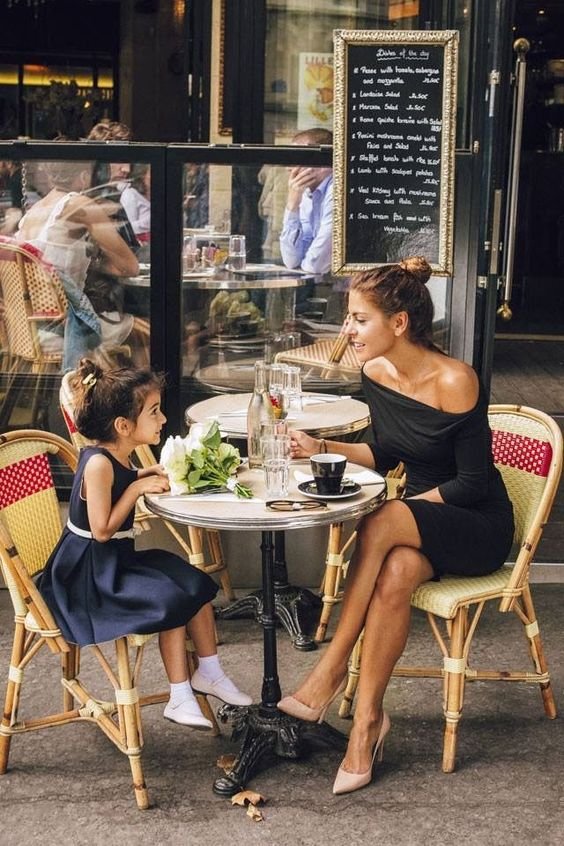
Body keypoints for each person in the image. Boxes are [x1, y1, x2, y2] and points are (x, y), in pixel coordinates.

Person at [278, 256, 514, 794]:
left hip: (476, 525)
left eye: (360, 319)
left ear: (399, 323)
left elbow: (471, 484)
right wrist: (323, 448)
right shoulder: (375, 373)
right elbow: (387, 451)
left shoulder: (456, 380)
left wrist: (408, 513)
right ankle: (366, 725)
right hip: (417, 526)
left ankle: (330, 669)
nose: (347, 331)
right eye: (349, 317)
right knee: (396, 572)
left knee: (384, 518)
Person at [37, 358, 252, 729]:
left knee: (193, 582)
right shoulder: (97, 464)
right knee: (169, 597)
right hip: (89, 577)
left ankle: (210, 672)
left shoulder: (115, 456)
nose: (163, 419)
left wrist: (142, 472)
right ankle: (179, 694)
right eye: (154, 412)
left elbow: (121, 479)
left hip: (113, 562)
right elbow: (102, 529)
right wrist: (137, 488)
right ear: (123, 426)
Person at [16, 159, 140, 369]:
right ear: (84, 175)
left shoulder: (34, 210)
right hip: (62, 326)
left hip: (28, 327)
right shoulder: (77, 204)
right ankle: (128, 400)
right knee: (144, 331)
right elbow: (130, 266)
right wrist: (98, 262)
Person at [279, 128, 333, 276]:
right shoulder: (306, 194)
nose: (289, 168)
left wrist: (303, 265)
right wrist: (292, 205)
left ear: (321, 163)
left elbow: (316, 264)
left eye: (297, 159)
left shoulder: (338, 189)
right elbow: (291, 260)